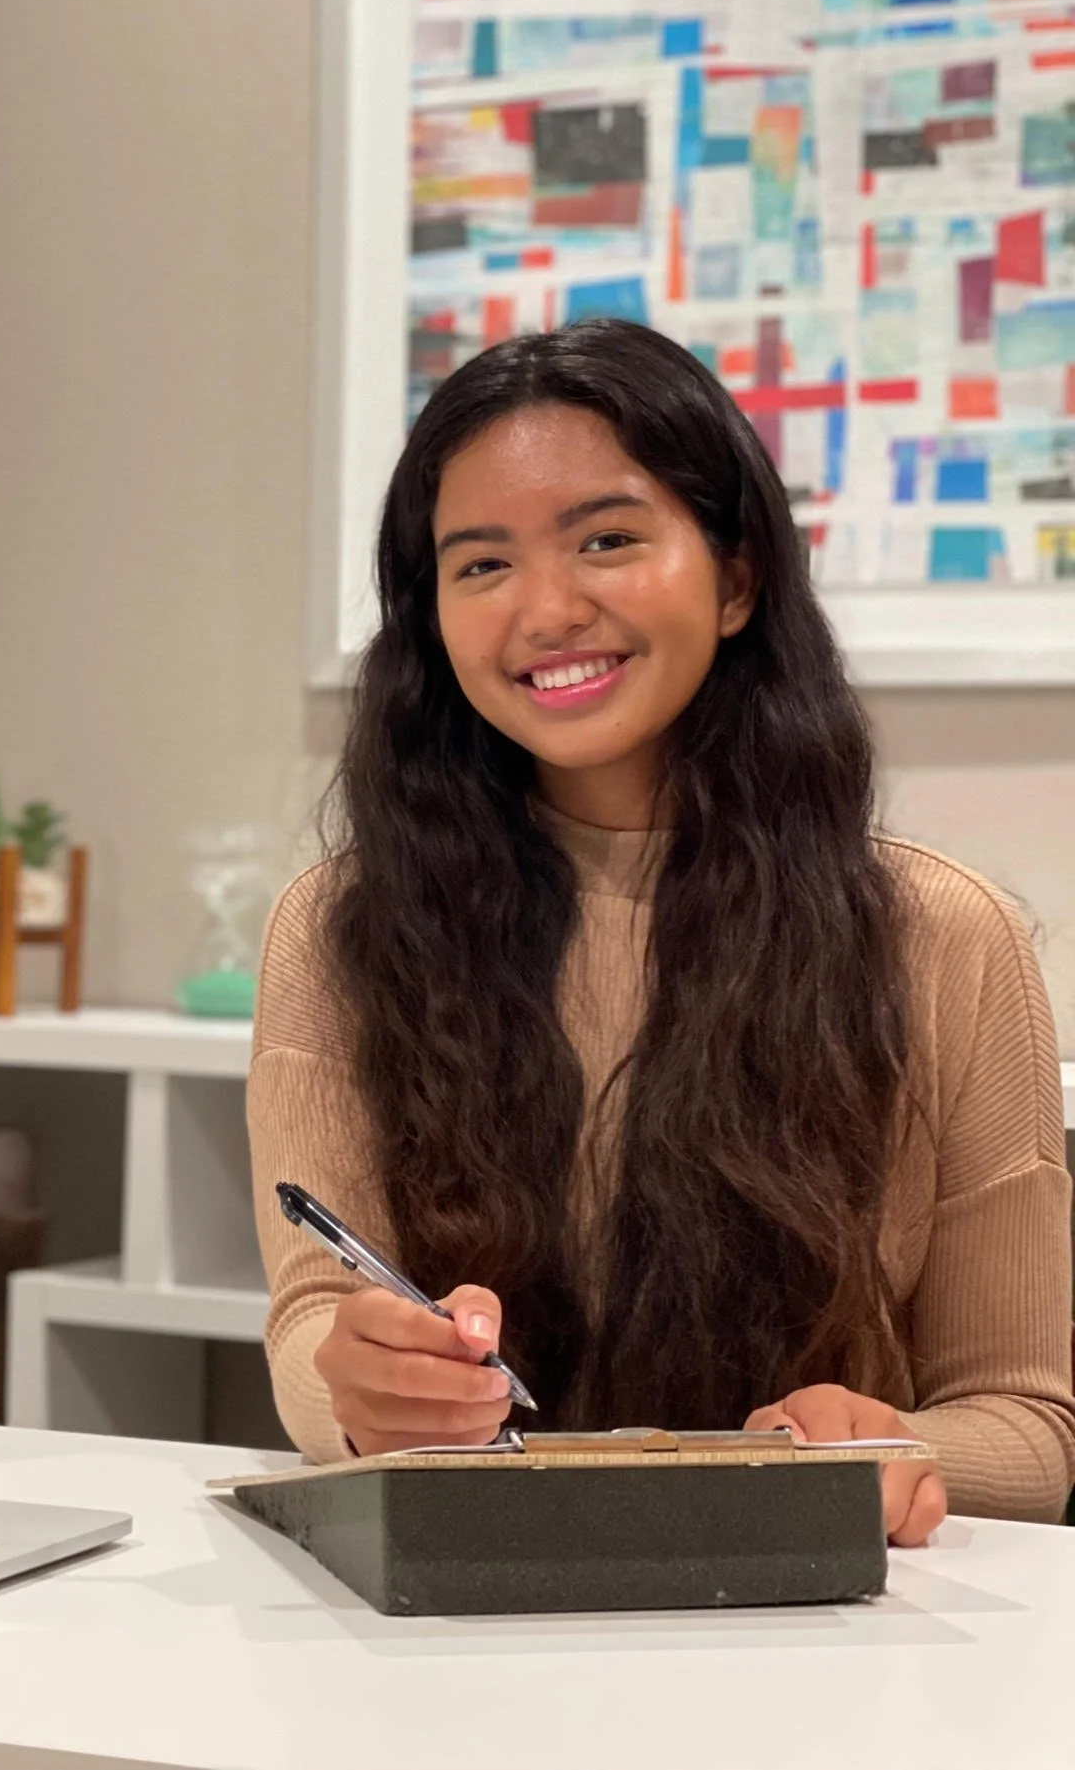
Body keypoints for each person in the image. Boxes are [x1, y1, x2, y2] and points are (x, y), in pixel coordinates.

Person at [248, 318, 1075, 1541]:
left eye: (608, 540)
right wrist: (364, 1390)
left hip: (826, 1640)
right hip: (465, 1613)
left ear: (737, 577)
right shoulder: (340, 929)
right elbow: (317, 1316)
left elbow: (1029, 1424)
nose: (545, 609)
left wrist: (887, 1449)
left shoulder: (945, 937)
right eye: (479, 566)